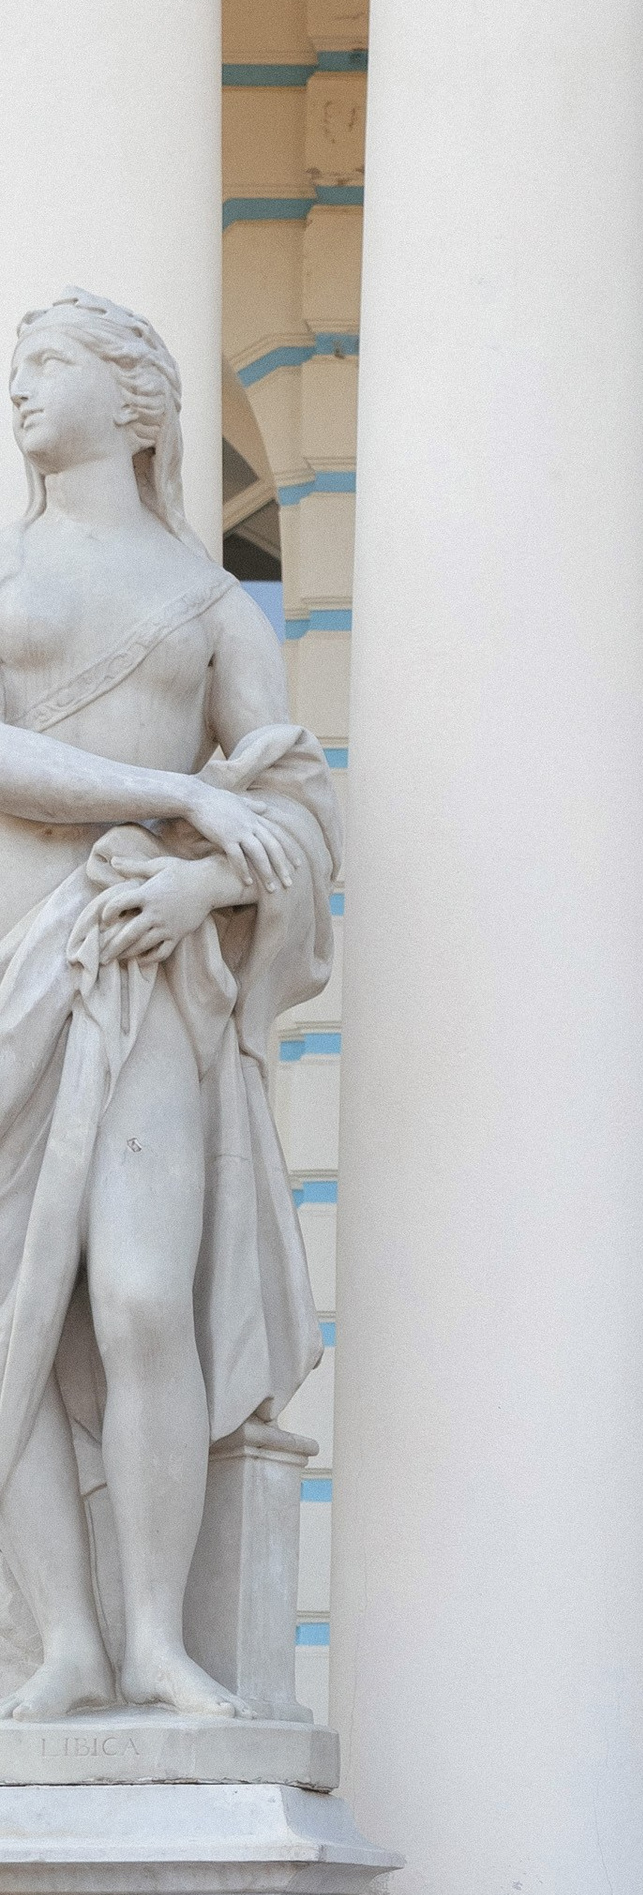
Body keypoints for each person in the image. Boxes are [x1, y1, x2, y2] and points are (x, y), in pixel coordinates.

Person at [0, 290, 335, 1721]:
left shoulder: (209, 603)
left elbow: (300, 807)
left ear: (137, 401)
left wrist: (207, 889)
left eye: (47, 364)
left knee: (141, 1304)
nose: (20, 390)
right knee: (16, 1314)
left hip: (150, 978)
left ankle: (154, 1642)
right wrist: (178, 794)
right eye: (17, 367)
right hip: (16, 961)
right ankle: (63, 1644)